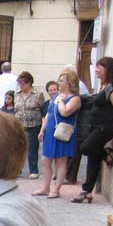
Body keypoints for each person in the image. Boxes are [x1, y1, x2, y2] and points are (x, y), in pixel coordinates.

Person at [72, 57, 113, 203]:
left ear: (108, 69)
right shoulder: (103, 86)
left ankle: (105, 155)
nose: (96, 70)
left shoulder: (112, 87)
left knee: (86, 148)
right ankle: (86, 191)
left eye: (99, 67)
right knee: (92, 157)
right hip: (96, 127)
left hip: (104, 127)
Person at [34, 70, 81, 199]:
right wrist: (42, 130)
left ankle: (56, 190)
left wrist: (60, 101)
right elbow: (48, 114)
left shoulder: (75, 99)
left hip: (63, 133)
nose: (59, 83)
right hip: (51, 131)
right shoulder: (57, 97)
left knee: (60, 161)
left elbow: (65, 112)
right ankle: (45, 188)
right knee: (45, 160)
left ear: (70, 83)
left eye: (61, 81)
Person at [14, 71, 45, 179]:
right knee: (18, 148)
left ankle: (33, 170)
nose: (21, 85)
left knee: (32, 148)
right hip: (19, 124)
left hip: (34, 125)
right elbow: (15, 109)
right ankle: (17, 170)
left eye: (23, 83)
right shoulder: (16, 94)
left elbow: (42, 108)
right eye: (19, 83)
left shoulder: (37, 94)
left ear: (29, 83)